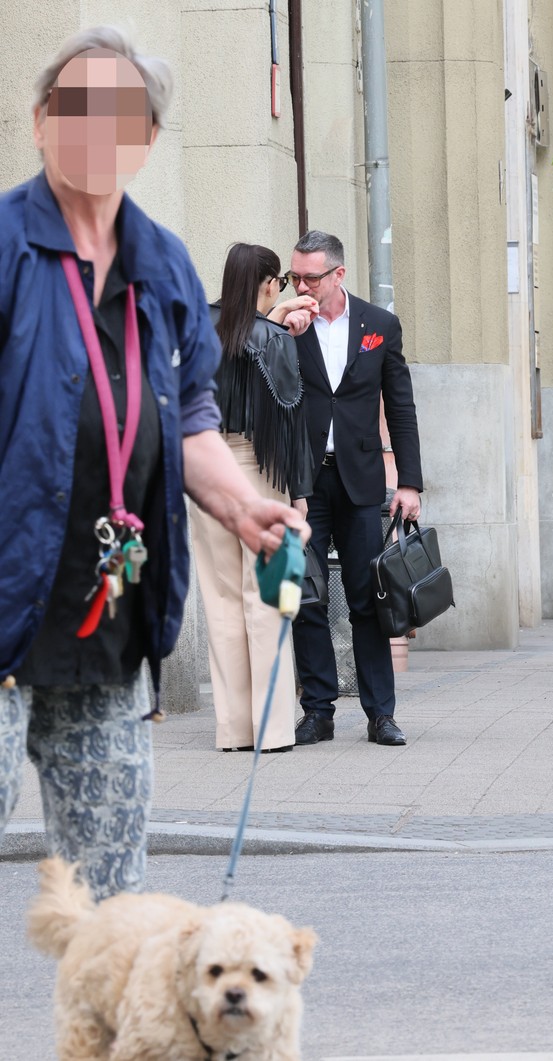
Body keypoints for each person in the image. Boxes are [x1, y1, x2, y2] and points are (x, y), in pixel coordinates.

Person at [0, 27, 308, 900]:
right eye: (76, 107)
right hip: (3, 595)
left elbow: (193, 416)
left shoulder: (165, 266)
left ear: (145, 139)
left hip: (106, 614)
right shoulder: (4, 250)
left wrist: (243, 507)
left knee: (111, 892)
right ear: (40, 122)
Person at [288, 230, 423, 747]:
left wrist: (408, 481)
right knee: (307, 596)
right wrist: (280, 326)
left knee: (369, 597)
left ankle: (380, 714)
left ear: (338, 275)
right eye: (295, 276)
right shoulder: (286, 327)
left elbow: (402, 408)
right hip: (303, 483)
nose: (301, 285)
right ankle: (318, 711)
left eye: (311, 277)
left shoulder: (379, 326)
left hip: (362, 481)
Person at [190, 243, 318, 753]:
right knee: (267, 597)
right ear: (268, 282)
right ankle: (273, 729)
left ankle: (234, 729)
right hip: (260, 471)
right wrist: (300, 494)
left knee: (220, 600)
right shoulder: (273, 340)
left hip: (207, 475)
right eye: (280, 283)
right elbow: (292, 421)